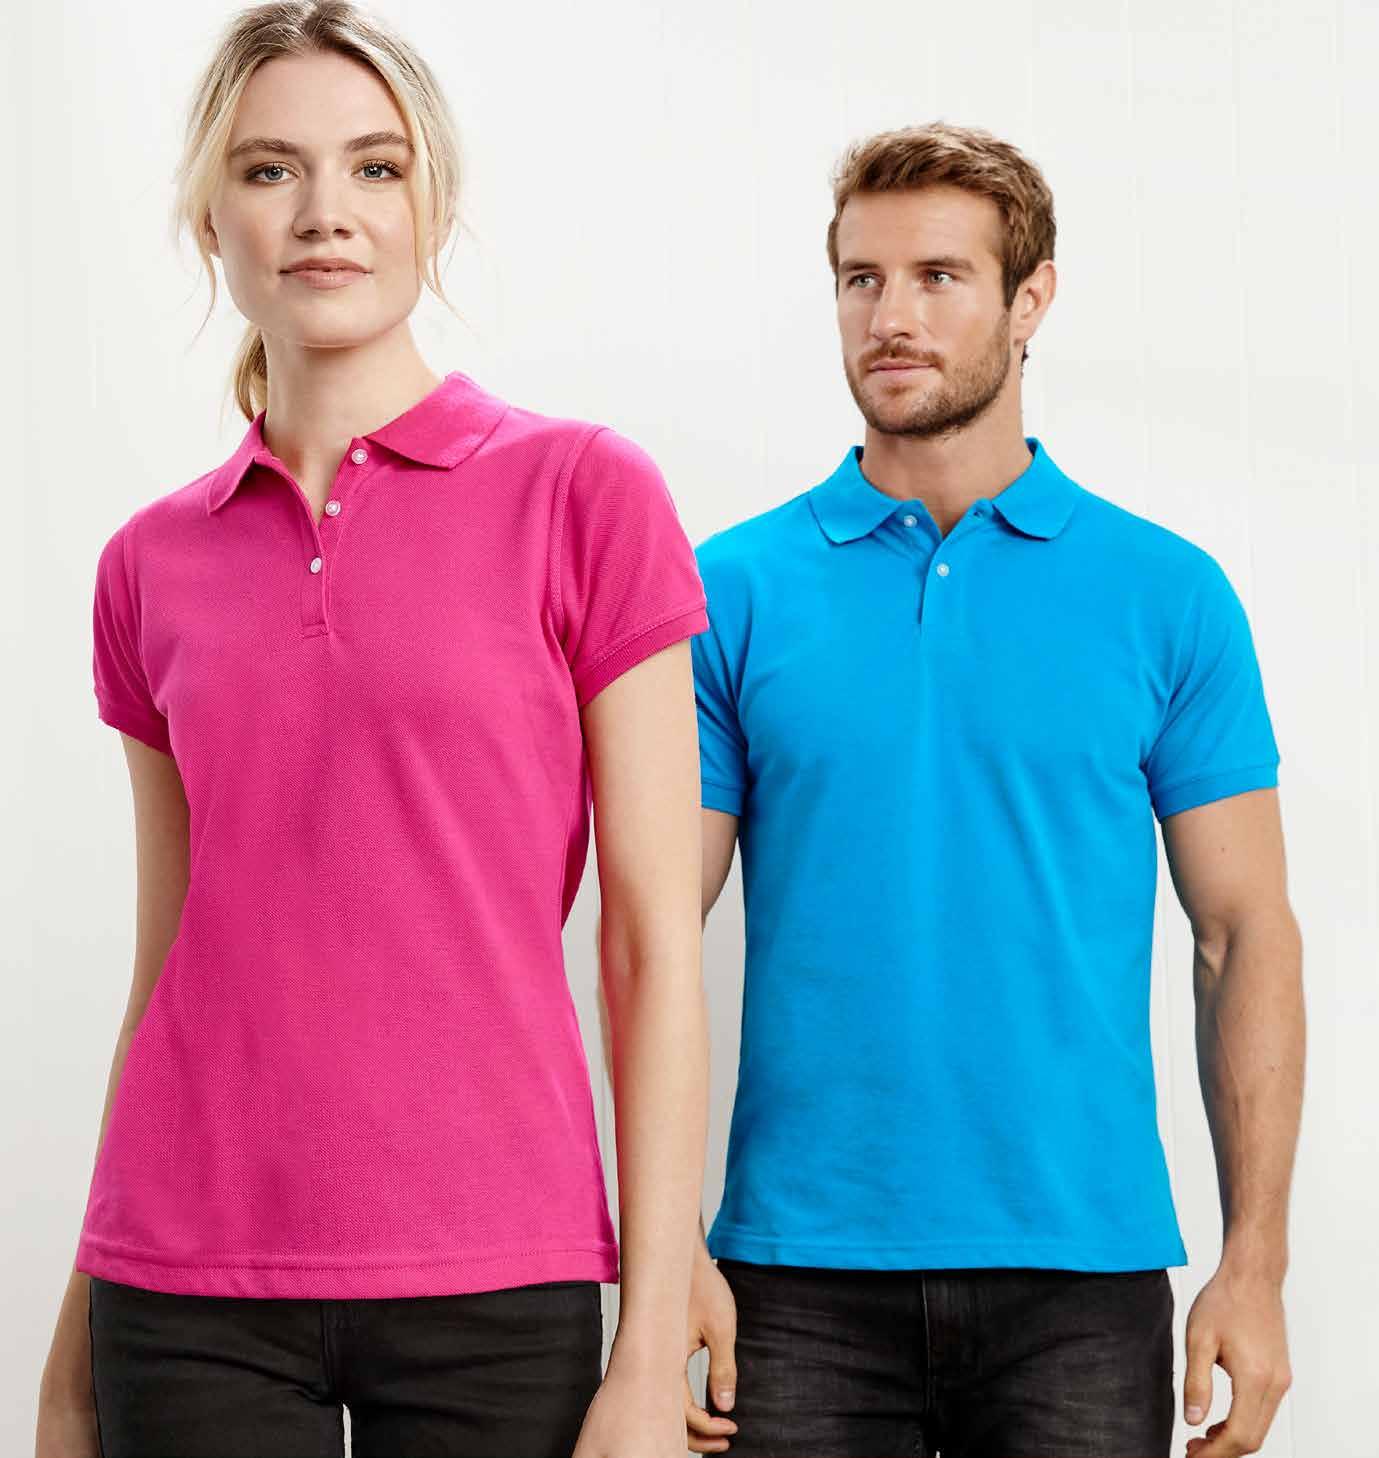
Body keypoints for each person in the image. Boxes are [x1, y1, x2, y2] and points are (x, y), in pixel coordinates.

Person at [34, 5, 708, 1456]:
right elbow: (167, 961)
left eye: (375, 167)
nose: (324, 212)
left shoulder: (585, 495)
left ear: (432, 208)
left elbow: (652, 943)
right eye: (270, 169)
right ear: (208, 219)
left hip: (499, 1276)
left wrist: (651, 1345)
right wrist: (72, 1342)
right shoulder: (147, 564)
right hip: (185, 1286)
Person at [680, 123, 1303, 1458]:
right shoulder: (730, 591)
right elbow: (651, 927)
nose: (890, 318)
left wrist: (1255, 1264)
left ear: (1032, 300)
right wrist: (664, 1242)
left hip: (1082, 1279)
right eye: (861, 279)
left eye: (939, 277)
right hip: (796, 1276)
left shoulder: (1166, 595)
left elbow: (1243, 933)